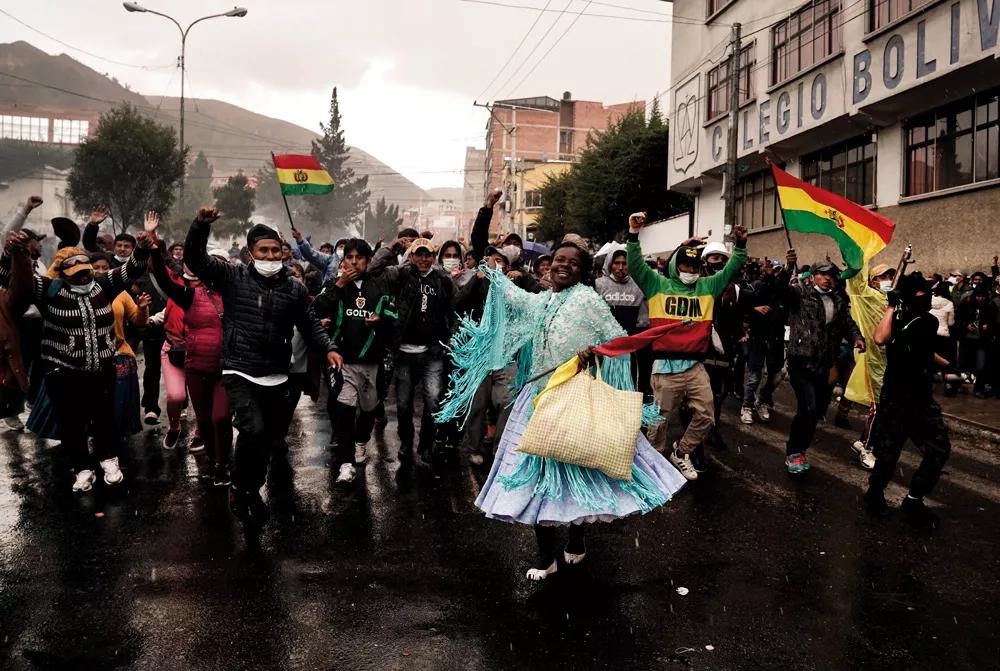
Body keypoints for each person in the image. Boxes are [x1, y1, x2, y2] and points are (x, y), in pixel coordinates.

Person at [438, 240, 686, 581]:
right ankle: (546, 557)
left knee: (574, 474)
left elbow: (617, 341)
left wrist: (593, 353)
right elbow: (516, 298)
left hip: (572, 399)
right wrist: (494, 275)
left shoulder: (588, 300)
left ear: (583, 271)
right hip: (537, 400)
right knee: (538, 480)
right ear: (549, 265)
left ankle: (577, 538)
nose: (563, 265)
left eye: (572, 262)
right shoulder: (544, 300)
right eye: (558, 260)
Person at [185, 207, 341, 531]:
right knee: (252, 431)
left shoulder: (295, 289)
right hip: (239, 370)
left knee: (267, 440)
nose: (270, 257)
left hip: (277, 374)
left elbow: (309, 323)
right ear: (250, 253)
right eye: (263, 251)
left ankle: (251, 489)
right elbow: (196, 260)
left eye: (275, 251)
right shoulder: (232, 277)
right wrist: (200, 226)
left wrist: (329, 348)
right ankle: (239, 486)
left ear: (283, 253)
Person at [9, 230, 152, 491]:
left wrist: (142, 248)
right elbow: (19, 282)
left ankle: (109, 460)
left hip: (102, 368)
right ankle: (82, 468)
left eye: (86, 271)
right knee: (71, 421)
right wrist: (17, 253)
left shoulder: (103, 285)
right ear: (63, 274)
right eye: (76, 274)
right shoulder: (49, 290)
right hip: (64, 371)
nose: (84, 277)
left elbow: (130, 269)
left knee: (104, 416)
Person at [625, 213, 748, 481]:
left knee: (707, 415)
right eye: (685, 265)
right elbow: (635, 265)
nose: (690, 271)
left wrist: (740, 245)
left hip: (695, 367)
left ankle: (681, 452)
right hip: (665, 368)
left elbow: (731, 269)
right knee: (659, 422)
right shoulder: (657, 285)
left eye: (694, 267)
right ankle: (653, 466)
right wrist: (633, 235)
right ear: (675, 265)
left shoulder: (708, 287)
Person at [147, 212, 233, 486]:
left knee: (221, 418)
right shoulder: (190, 295)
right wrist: (155, 249)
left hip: (227, 369)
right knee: (204, 421)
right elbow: (164, 279)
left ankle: (224, 463)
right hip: (196, 367)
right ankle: (215, 461)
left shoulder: (235, 295)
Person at [864, 272, 951, 529]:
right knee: (888, 453)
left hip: (920, 398)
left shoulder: (927, 321)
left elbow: (923, 349)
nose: (928, 297)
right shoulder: (898, 318)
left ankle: (913, 500)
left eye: (928, 292)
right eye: (922, 293)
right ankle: (874, 495)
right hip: (895, 397)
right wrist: (891, 307)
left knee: (938, 449)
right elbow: (879, 339)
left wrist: (949, 365)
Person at [313, 239, 394, 484]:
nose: (354, 262)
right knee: (344, 411)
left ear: (368, 261)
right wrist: (339, 285)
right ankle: (346, 464)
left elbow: (394, 318)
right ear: (343, 260)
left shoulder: (378, 287)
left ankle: (361, 441)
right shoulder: (334, 284)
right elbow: (317, 309)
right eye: (349, 257)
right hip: (343, 361)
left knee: (368, 409)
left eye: (359, 258)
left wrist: (380, 320)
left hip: (371, 361)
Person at [369, 236, 454, 465]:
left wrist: (449, 336)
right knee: (404, 403)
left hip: (432, 352)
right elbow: (373, 272)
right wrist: (391, 247)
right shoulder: (401, 274)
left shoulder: (443, 281)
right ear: (412, 256)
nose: (423, 259)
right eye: (419, 254)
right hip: (404, 353)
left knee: (433, 400)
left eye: (428, 255)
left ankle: (426, 444)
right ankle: (406, 442)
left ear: (433, 257)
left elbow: (453, 311)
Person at [780, 252, 865, 475]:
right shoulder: (800, 294)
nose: (828, 279)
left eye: (832, 276)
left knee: (816, 411)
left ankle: (801, 450)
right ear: (813, 276)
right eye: (823, 274)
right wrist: (788, 267)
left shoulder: (837, 299)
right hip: (800, 362)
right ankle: (793, 452)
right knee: (807, 408)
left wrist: (857, 338)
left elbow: (848, 323)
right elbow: (780, 291)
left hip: (824, 363)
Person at [89, 252, 150, 453]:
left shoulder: (121, 293)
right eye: (95, 268)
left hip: (119, 355)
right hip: (89, 358)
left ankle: (115, 452)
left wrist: (142, 309)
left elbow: (139, 321)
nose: (100, 271)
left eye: (104, 268)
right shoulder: (78, 293)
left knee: (117, 410)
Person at [956, 285, 996, 397]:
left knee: (981, 365)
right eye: (978, 296)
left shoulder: (990, 305)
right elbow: (958, 319)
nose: (980, 298)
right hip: (967, 339)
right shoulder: (966, 304)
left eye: (983, 296)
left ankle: (979, 389)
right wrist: (966, 325)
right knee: (964, 365)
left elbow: (994, 321)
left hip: (982, 340)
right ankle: (958, 385)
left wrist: (988, 326)